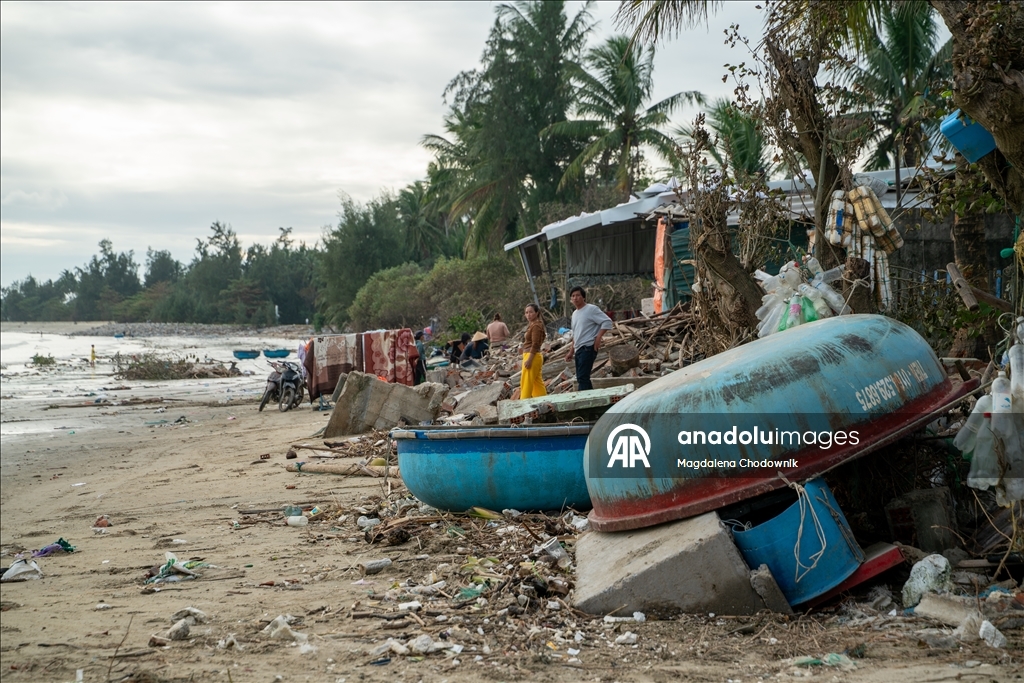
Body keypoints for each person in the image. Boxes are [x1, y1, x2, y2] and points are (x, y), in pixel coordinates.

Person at [564, 286, 612, 391]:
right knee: (582, 378)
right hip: (578, 349)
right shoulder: (574, 314)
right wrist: (571, 351)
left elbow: (607, 321)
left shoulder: (591, 309)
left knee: (582, 377)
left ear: (583, 297)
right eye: (573, 296)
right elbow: (576, 334)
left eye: (578, 295)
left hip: (588, 347)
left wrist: (598, 337)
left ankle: (584, 402)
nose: (575, 298)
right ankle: (591, 399)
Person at [520, 303, 547, 399]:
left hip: (532, 356)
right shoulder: (533, 325)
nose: (528, 315)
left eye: (531, 312)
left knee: (526, 383)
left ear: (537, 313)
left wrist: (529, 359)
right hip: (534, 355)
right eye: (526, 313)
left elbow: (535, 344)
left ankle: (523, 406)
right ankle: (543, 402)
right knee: (537, 383)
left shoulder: (536, 326)